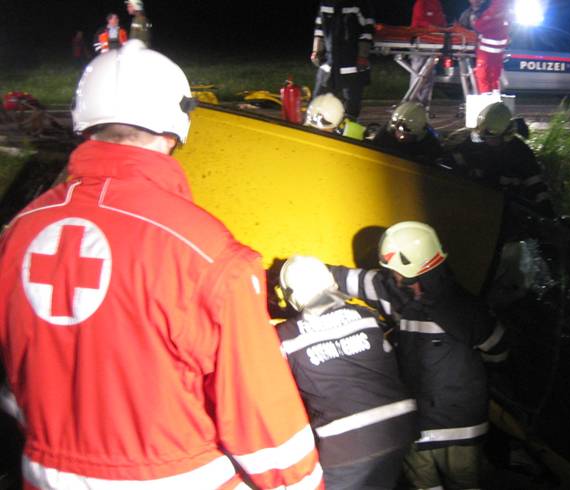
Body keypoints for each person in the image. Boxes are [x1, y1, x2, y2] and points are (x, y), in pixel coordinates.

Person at [0, 41, 323, 489]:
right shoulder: (206, 253)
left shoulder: (19, 232)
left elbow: (18, 375)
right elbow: (263, 418)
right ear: (176, 125)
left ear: (85, 121)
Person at [329, 221, 508, 489]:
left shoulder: (459, 310)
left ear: (412, 270)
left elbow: (499, 349)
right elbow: (497, 352)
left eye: (394, 271)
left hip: (450, 430)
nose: (390, 276)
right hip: (426, 426)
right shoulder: (408, 296)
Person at [276, 255, 418, 490]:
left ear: (291, 296)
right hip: (398, 429)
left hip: (345, 445)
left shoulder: (286, 336)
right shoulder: (365, 317)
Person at [445, 102, 554, 216]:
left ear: (505, 135)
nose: (486, 139)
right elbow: (452, 163)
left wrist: (546, 209)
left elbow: (535, 183)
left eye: (491, 136)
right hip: (477, 205)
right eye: (484, 135)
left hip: (507, 209)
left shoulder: (520, 152)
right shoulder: (473, 144)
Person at [311, 0, 375, 121]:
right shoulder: (325, 3)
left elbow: (367, 30)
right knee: (318, 100)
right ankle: (316, 126)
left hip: (352, 62)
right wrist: (317, 50)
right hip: (329, 63)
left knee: (352, 103)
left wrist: (362, 55)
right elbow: (319, 28)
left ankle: (348, 127)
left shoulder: (360, 4)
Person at [459, 0, 511, 94]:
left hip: (485, 53)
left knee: (484, 77)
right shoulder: (503, 14)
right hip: (494, 53)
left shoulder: (490, 12)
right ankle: (493, 101)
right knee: (493, 79)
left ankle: (487, 102)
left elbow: (479, 26)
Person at [371, 101, 444, 165]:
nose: (399, 136)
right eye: (397, 131)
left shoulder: (430, 145)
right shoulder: (385, 134)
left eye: (405, 134)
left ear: (418, 134)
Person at [410, 0, 447, 108]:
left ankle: (423, 106)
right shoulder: (422, 2)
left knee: (429, 76)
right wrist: (436, 28)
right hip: (421, 41)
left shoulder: (437, 3)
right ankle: (412, 103)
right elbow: (420, 21)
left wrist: (444, 29)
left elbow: (441, 21)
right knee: (418, 73)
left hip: (434, 42)